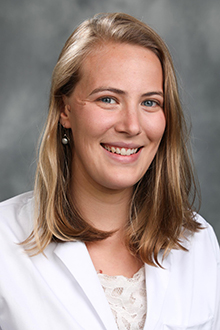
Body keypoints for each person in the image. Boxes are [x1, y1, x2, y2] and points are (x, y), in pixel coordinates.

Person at [0, 12, 219, 330]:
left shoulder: (198, 243)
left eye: (149, 103)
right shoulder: (4, 241)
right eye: (108, 99)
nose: (131, 126)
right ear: (65, 110)